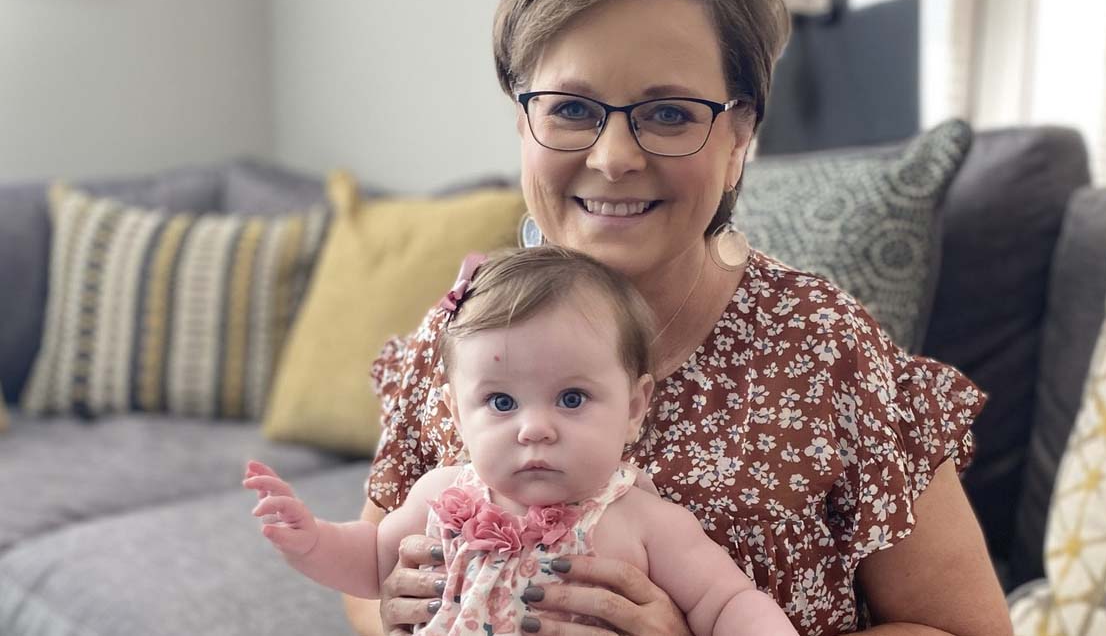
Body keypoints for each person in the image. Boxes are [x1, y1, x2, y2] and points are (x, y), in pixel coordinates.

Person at [350, 0, 1014, 634]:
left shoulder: (827, 350)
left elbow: (967, 629)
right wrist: (394, 606)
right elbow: (366, 578)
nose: (614, 157)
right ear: (523, 125)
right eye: (572, 109)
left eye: (668, 113)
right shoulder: (462, 326)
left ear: (738, 137)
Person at [245, 246, 799, 635]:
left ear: (634, 409)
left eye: (573, 398)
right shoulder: (440, 494)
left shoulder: (644, 521)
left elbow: (729, 604)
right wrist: (310, 538)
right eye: (502, 403)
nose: (535, 427)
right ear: (457, 418)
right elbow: (371, 562)